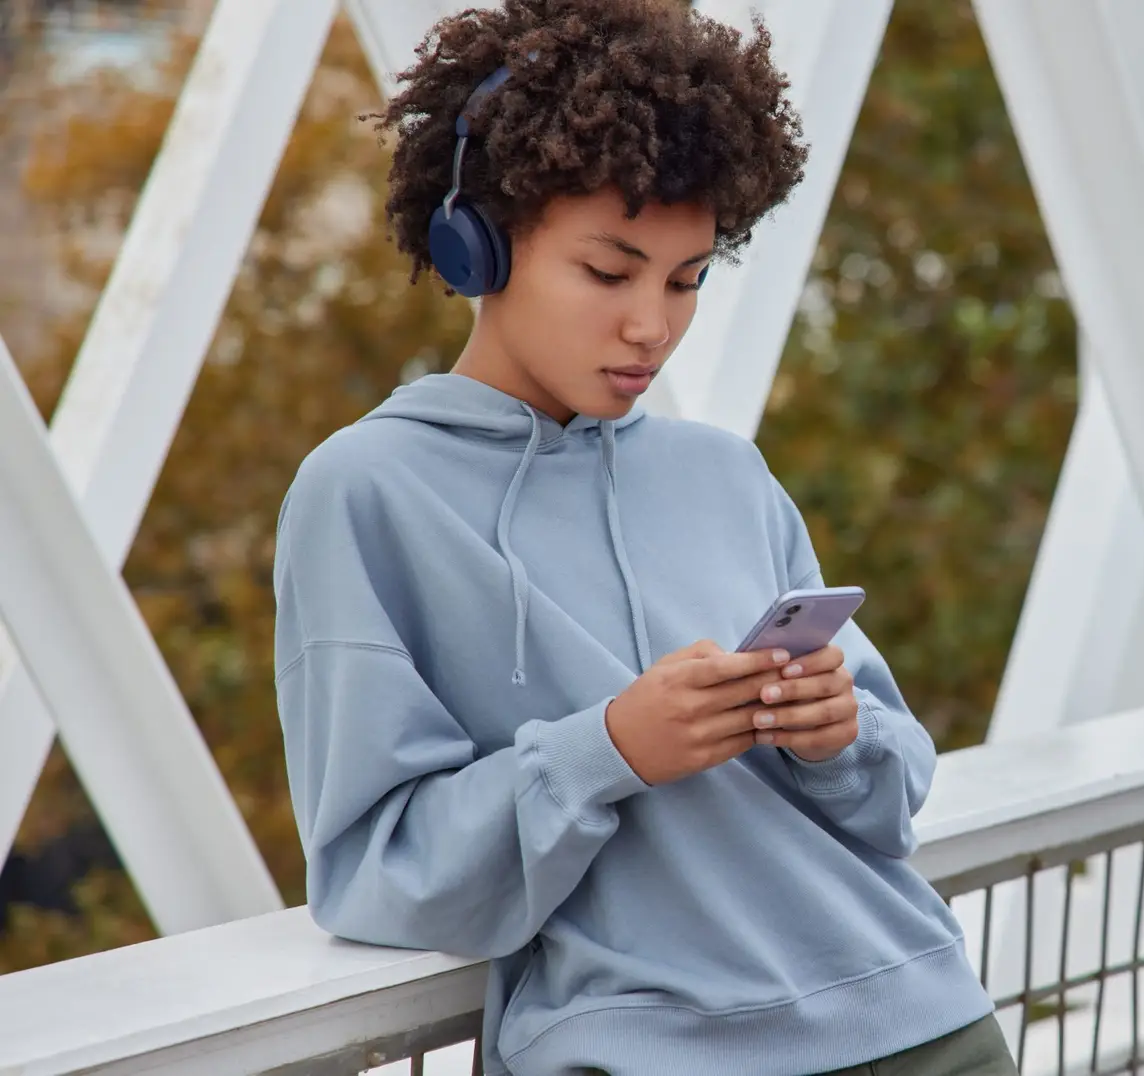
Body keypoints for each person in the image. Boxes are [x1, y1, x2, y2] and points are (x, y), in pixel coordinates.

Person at [271, 2, 1012, 1073]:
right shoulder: (367, 492)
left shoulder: (727, 473)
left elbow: (894, 798)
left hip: (925, 1021)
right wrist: (606, 747)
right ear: (477, 241)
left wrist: (833, 732)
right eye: (609, 273)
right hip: (643, 1050)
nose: (650, 326)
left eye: (687, 278)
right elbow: (377, 868)